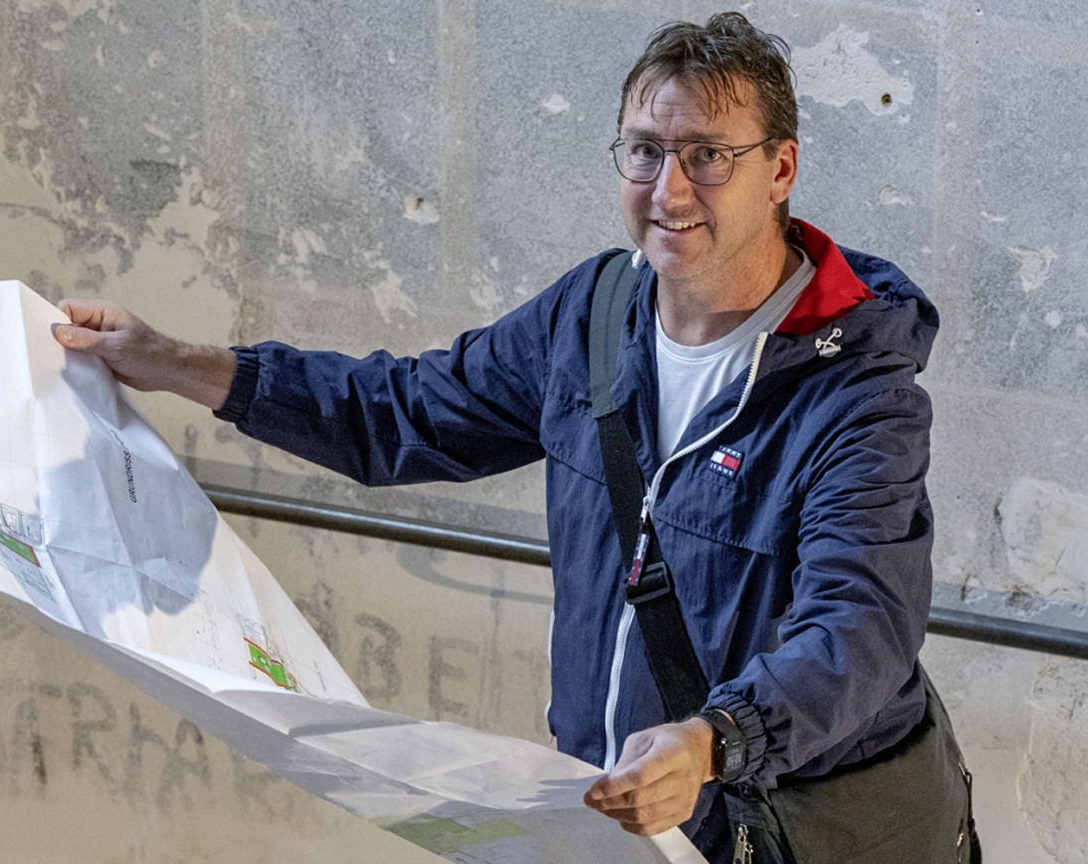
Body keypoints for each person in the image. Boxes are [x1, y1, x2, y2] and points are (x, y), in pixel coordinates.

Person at [53, 12, 977, 863]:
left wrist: (714, 741)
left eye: (708, 155)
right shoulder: (593, 315)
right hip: (621, 824)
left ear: (780, 170)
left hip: (776, 826)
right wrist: (174, 362)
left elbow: (859, 628)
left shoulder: (855, 392)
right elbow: (404, 411)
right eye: (645, 151)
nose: (669, 189)